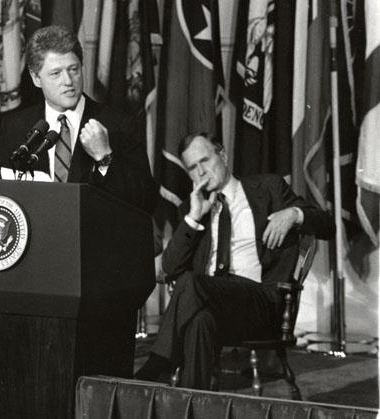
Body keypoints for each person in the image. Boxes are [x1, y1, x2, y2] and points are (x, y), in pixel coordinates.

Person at [135, 133, 335, 389]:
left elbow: (328, 225)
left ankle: (158, 364)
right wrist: (194, 218)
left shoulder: (269, 189)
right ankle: (192, 406)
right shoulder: (191, 207)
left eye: (205, 161)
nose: (201, 172)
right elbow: (168, 268)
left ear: (223, 156)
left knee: (190, 283)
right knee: (199, 321)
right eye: (192, 168)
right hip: (218, 306)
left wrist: (294, 214)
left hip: (262, 303)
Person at [0, 25, 156, 214]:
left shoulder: (119, 125)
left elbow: (147, 201)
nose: (68, 81)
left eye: (73, 69)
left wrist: (105, 158)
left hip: (94, 239)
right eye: (56, 73)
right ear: (36, 78)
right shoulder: (16, 127)